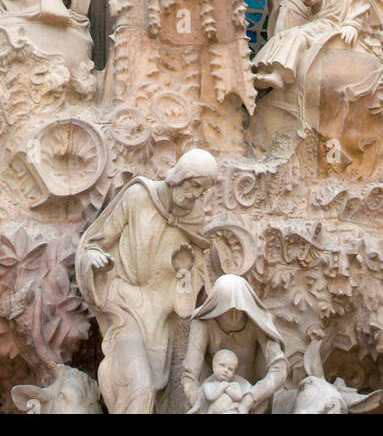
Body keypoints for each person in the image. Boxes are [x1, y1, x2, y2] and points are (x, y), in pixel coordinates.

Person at [75, 149, 218, 414]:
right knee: (139, 388)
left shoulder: (194, 218)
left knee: (154, 393)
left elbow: (197, 267)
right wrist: (93, 257)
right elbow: (97, 241)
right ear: (179, 177)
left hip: (160, 315)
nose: (195, 196)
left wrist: (186, 280)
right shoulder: (138, 197)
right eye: (194, 186)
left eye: (202, 191)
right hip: (124, 305)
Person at [182, 273, 287, 413]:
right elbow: (189, 375)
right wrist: (202, 402)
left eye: (240, 310)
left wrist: (250, 398)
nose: (235, 315)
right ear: (217, 305)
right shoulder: (203, 324)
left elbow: (279, 369)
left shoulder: (256, 322)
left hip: (252, 401)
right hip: (212, 397)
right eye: (228, 309)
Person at [186, 349, 255, 414]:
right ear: (214, 366)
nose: (226, 370)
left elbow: (238, 397)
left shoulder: (234, 385)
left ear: (234, 373)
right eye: (222, 365)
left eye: (230, 369)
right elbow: (211, 397)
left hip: (229, 411)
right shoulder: (208, 385)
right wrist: (221, 387)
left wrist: (227, 388)